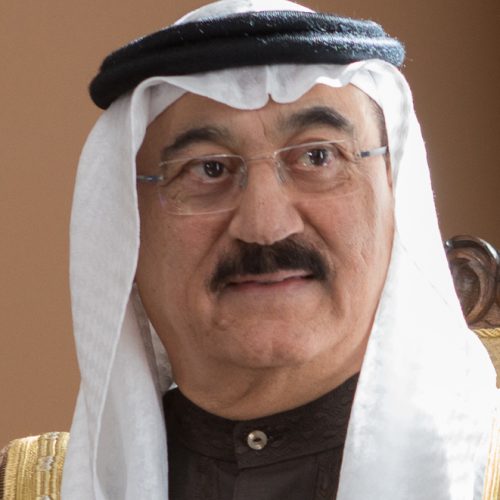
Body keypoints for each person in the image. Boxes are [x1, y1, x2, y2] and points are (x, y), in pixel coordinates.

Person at [1, 1, 497, 499]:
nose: (266, 226)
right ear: (126, 227)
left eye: (318, 157)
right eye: (207, 169)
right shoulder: (28, 488)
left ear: (396, 199)